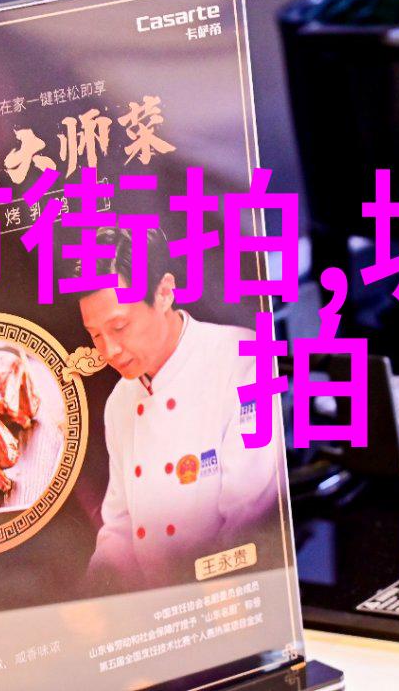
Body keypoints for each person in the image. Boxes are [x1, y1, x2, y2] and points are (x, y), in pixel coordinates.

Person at [75, 227, 280, 588]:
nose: (109, 351)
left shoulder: (245, 361)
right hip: (155, 609)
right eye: (95, 335)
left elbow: (248, 525)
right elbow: (120, 530)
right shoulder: (120, 401)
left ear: (164, 292)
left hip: (229, 597)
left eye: (119, 326)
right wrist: (89, 600)